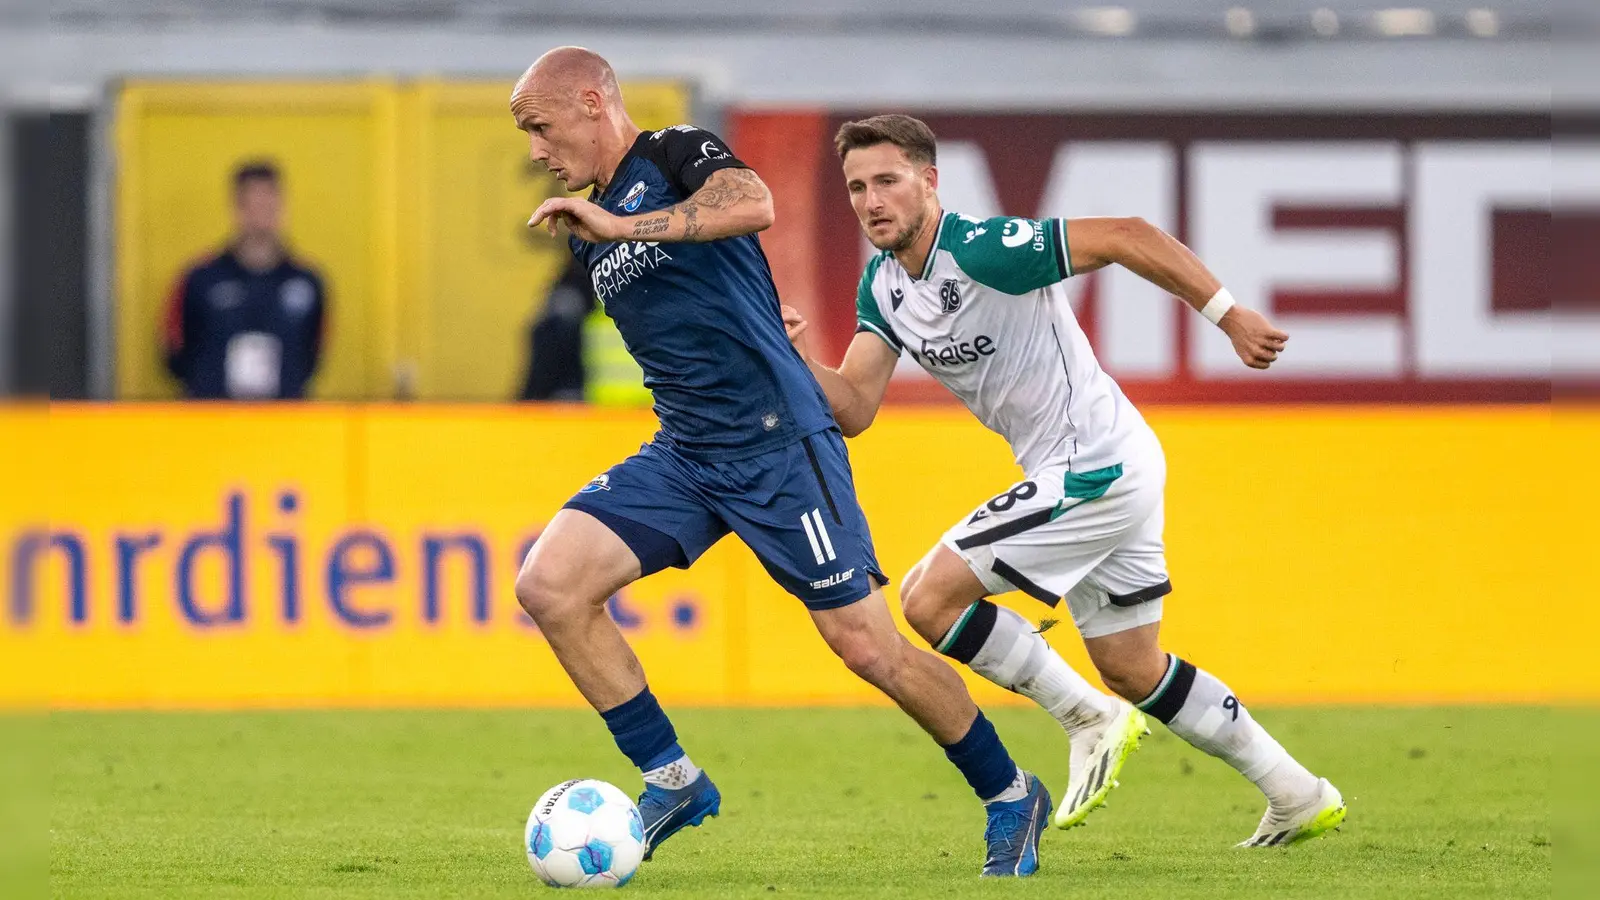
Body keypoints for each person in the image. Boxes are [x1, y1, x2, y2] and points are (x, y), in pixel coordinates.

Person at [508, 50, 1051, 877]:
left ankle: (1011, 793)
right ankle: (672, 779)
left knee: (869, 648)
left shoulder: (674, 153)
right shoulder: (588, 229)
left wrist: (629, 226)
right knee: (549, 585)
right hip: (687, 451)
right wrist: (619, 236)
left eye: (540, 128)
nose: (539, 151)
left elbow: (752, 201)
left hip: (777, 443)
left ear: (591, 102)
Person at [783, 114, 1346, 848]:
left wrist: (1229, 315)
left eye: (888, 180)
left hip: (1094, 463)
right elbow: (854, 406)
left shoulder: (983, 249)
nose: (870, 201)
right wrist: (787, 353)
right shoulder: (885, 286)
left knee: (927, 599)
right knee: (1132, 665)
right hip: (1099, 466)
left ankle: (1086, 718)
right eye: (857, 187)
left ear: (929, 182)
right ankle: (1296, 792)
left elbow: (1130, 235)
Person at [163, 161, 327, 400]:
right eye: (253, 204)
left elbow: (313, 352)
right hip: (212, 421)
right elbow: (175, 350)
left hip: (284, 421)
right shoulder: (201, 279)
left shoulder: (307, 282)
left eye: (269, 204)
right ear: (236, 208)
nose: (262, 215)